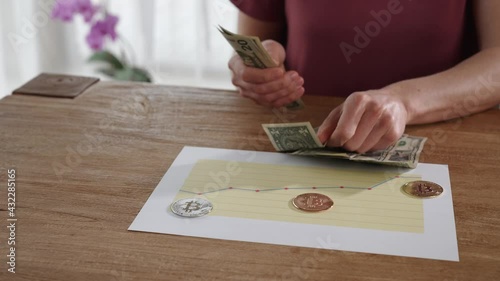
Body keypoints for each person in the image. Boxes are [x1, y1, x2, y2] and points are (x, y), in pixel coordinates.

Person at [228, 0, 500, 153]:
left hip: (443, 145)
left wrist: (403, 102)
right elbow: (255, 40)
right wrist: (255, 66)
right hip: (304, 144)